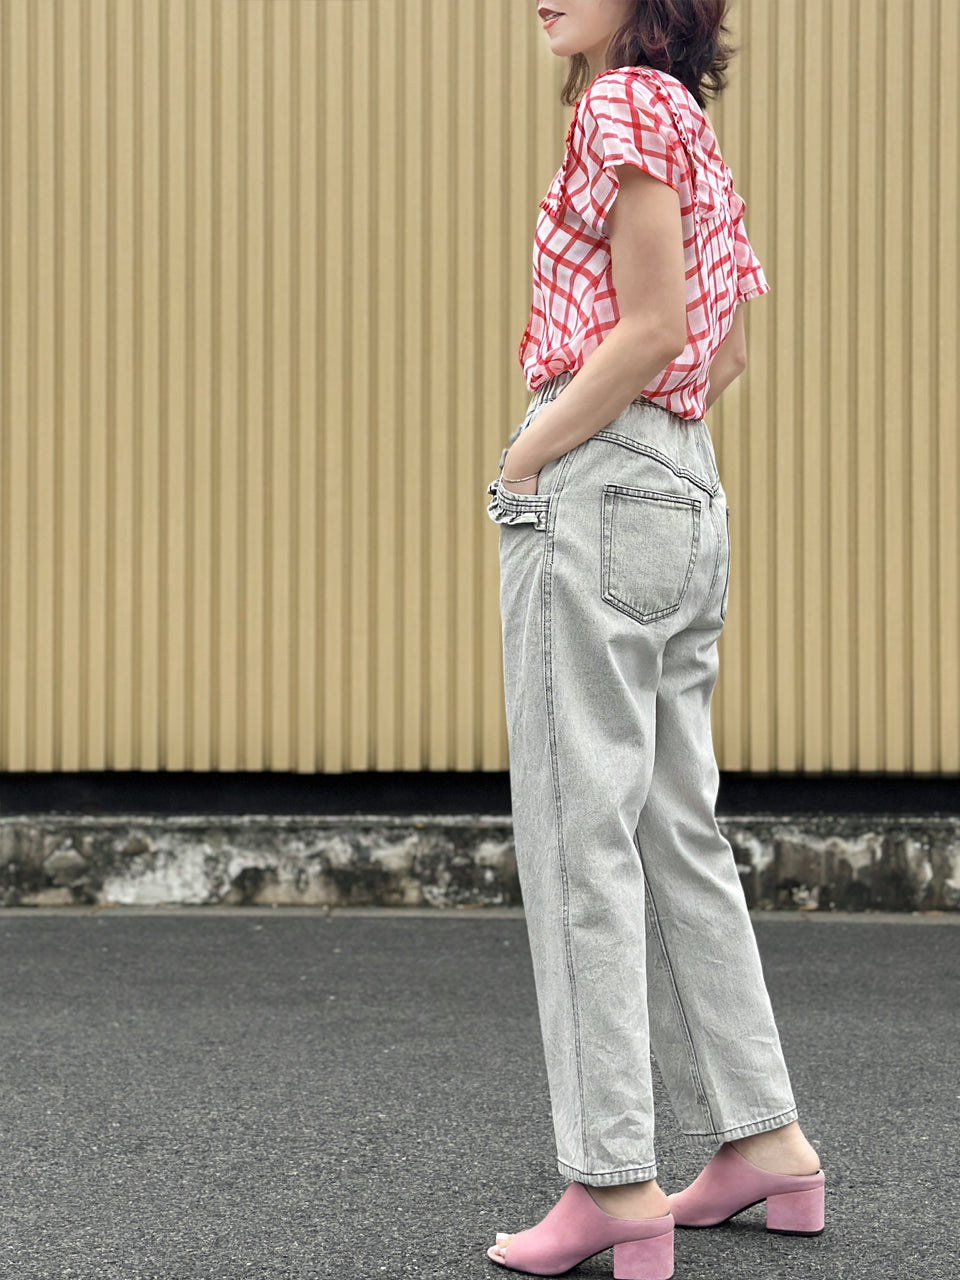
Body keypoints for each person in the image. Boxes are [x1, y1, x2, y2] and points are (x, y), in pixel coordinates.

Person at [483, 3, 824, 1277]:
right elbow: (722, 351)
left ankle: (615, 1177)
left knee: (580, 829)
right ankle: (766, 1138)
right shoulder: (687, 121)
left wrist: (528, 455)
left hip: (598, 474)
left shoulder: (618, 104)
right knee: (677, 823)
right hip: (686, 482)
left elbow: (654, 328)